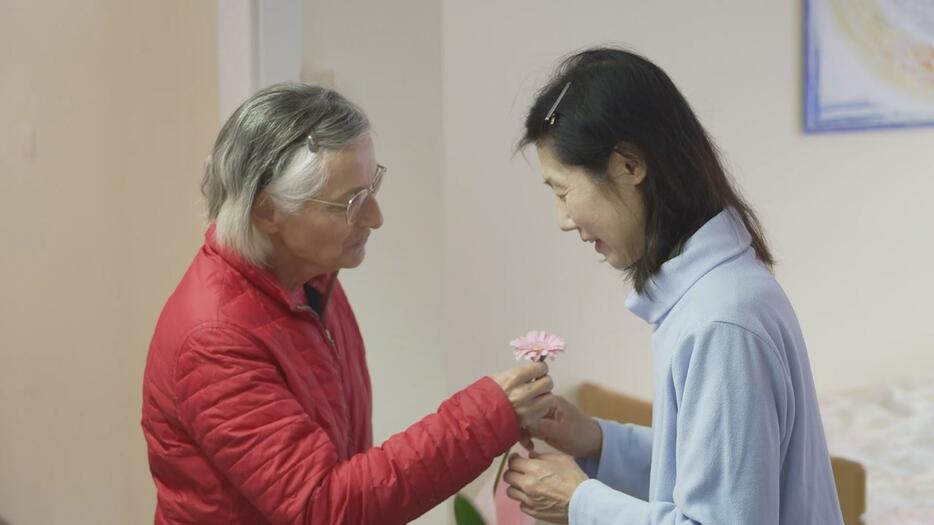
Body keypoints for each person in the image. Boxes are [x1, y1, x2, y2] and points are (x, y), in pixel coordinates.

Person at [141, 83, 555, 524]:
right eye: (351, 202)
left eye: (373, 184)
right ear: (268, 213)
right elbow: (324, 507)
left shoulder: (308, 281)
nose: (375, 217)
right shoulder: (215, 339)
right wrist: (487, 416)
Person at [503, 47, 843, 525]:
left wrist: (581, 502)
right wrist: (597, 441)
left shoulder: (722, 322)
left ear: (629, 165)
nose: (563, 220)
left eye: (563, 191)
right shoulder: (712, 298)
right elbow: (713, 476)